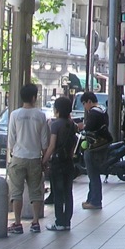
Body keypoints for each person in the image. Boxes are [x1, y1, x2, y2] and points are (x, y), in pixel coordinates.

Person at [6, 83, 50, 234]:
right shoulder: (40, 115)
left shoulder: (15, 114)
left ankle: (17, 223)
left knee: (16, 192)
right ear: (34, 97)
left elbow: (11, 139)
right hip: (34, 158)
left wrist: (13, 152)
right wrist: (44, 159)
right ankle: (35, 222)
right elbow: (45, 141)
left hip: (18, 157)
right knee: (36, 191)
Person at [42, 95, 77, 231]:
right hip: (69, 162)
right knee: (68, 192)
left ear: (57, 109)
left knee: (58, 193)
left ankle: (59, 222)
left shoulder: (55, 124)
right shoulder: (72, 125)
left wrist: (44, 160)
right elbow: (73, 144)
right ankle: (67, 221)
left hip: (57, 162)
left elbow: (52, 146)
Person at [79, 91, 109, 210]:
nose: (84, 107)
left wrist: (82, 127)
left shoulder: (93, 113)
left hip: (93, 147)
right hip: (101, 146)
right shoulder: (102, 110)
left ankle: (95, 201)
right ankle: (91, 199)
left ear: (89, 102)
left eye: (84, 103)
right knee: (94, 174)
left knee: (93, 174)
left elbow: (88, 129)